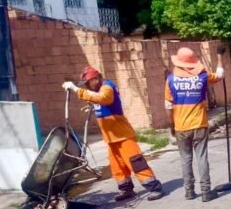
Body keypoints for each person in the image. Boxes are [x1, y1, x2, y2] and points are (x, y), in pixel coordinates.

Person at [62, 67, 165, 202]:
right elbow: (99, 101)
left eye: (88, 83)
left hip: (123, 136)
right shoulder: (98, 90)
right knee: (118, 167)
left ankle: (155, 188)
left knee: (136, 163)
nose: (87, 86)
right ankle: (126, 189)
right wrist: (92, 106)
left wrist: (76, 90)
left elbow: (104, 98)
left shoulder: (107, 87)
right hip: (111, 138)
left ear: (95, 79)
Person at [163, 47, 225, 202]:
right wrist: (219, 55)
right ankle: (206, 192)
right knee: (202, 158)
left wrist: (171, 124)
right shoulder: (202, 76)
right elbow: (220, 75)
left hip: (181, 127)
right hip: (199, 124)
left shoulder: (170, 80)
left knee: (185, 159)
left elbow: (168, 106)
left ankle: (189, 191)